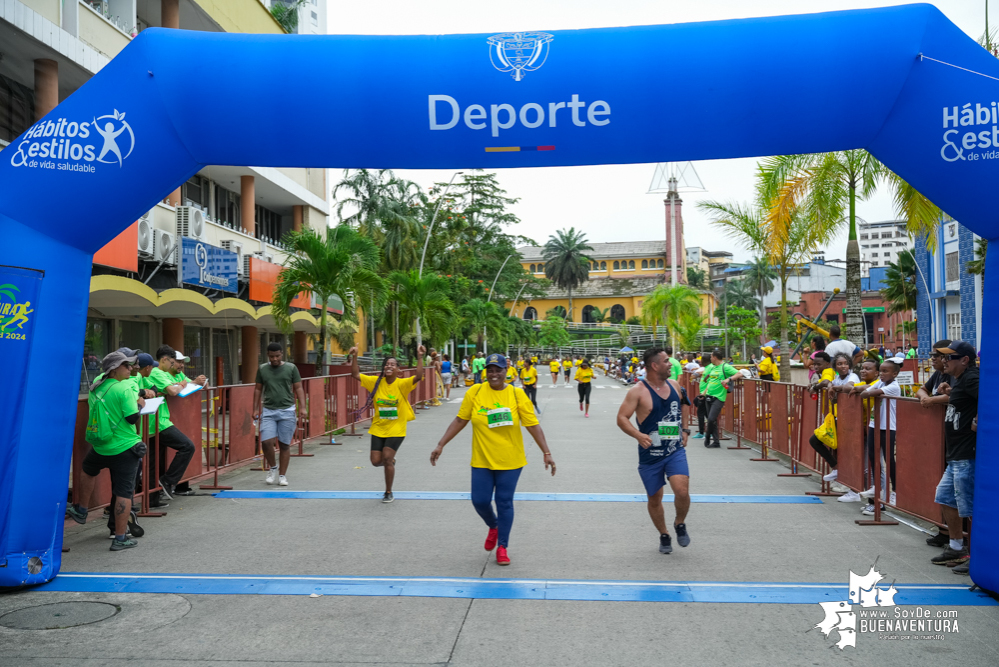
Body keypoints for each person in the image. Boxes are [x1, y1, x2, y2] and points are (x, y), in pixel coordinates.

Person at [431, 353, 555, 565]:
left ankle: (503, 547)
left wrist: (546, 452)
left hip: (510, 460)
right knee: (479, 500)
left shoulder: (516, 395)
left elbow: (532, 425)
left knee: (504, 502)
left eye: (498, 370)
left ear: (506, 372)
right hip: (482, 459)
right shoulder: (476, 391)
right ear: (485, 372)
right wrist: (441, 444)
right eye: (490, 370)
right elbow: (461, 419)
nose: (494, 374)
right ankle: (494, 526)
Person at [65, 350, 146, 551]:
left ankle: (82, 509)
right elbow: (131, 418)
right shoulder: (123, 389)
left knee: (87, 469)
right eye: (126, 366)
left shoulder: (96, 386)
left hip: (101, 445)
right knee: (124, 493)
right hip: (125, 447)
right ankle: (120, 538)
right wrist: (140, 404)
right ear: (114, 369)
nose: (131, 369)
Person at [616, 347, 692, 554]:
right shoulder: (638, 391)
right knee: (654, 497)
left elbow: (685, 404)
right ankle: (664, 534)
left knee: (682, 490)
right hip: (650, 454)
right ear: (654, 365)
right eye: (667, 361)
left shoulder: (675, 385)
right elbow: (621, 418)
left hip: (675, 449)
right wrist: (638, 435)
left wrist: (685, 429)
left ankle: (679, 523)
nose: (671, 364)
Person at [350, 345, 425, 503]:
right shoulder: (375, 382)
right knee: (376, 461)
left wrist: (420, 357)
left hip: (396, 428)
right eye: (387, 364)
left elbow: (418, 376)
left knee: (387, 458)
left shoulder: (402, 384)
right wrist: (355, 356)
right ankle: (388, 461)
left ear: (399, 370)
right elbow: (355, 374)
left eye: (393, 364)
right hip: (378, 427)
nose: (389, 366)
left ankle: (388, 491)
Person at [929, 341, 978, 574]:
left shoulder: (971, 378)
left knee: (969, 507)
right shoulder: (960, 380)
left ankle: (976, 556)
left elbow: (989, 399)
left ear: (965, 360)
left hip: (967, 455)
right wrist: (951, 393)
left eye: (950, 357)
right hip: (956, 455)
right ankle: (957, 546)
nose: (945, 361)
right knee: (946, 497)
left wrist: (980, 419)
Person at [145, 346, 202, 501]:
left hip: (157, 419)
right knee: (187, 446)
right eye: (174, 362)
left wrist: (189, 383)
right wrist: (182, 384)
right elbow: (173, 391)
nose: (176, 365)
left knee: (154, 462)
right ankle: (167, 481)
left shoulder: (165, 373)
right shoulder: (157, 372)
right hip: (157, 422)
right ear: (165, 360)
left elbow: (187, 385)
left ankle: (153, 498)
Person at [253, 342, 307, 487]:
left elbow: (299, 387)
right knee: (266, 442)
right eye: (272, 356)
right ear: (267, 355)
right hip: (269, 410)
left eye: (277, 356)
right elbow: (258, 389)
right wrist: (255, 409)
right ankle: (273, 467)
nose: (275, 359)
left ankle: (282, 476)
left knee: (284, 444)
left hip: (287, 410)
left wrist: (303, 407)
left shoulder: (291, 368)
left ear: (282, 354)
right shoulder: (263, 369)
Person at [858, 358, 902, 515]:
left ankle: (895, 491)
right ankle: (877, 488)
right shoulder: (881, 382)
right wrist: (862, 390)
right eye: (881, 371)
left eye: (885, 371)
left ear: (895, 373)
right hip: (874, 424)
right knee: (873, 457)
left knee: (889, 459)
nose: (882, 374)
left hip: (888, 426)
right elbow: (867, 388)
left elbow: (868, 393)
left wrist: (864, 391)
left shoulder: (893, 387)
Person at [702, 349, 738, 449]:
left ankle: (708, 437)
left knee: (711, 419)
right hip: (709, 395)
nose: (710, 359)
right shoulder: (713, 367)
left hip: (719, 397)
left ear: (714, 357)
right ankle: (716, 442)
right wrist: (704, 392)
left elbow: (739, 373)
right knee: (712, 421)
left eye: (711, 357)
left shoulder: (725, 367)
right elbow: (711, 379)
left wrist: (728, 379)